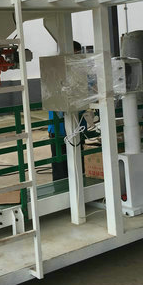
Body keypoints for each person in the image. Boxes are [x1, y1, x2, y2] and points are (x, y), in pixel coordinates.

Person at [48, 41, 86, 181]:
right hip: (59, 128)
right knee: (61, 164)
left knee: (78, 162)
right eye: (75, 54)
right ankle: (61, 189)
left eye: (78, 54)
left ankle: (80, 185)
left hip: (77, 127)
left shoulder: (80, 73)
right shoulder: (56, 73)